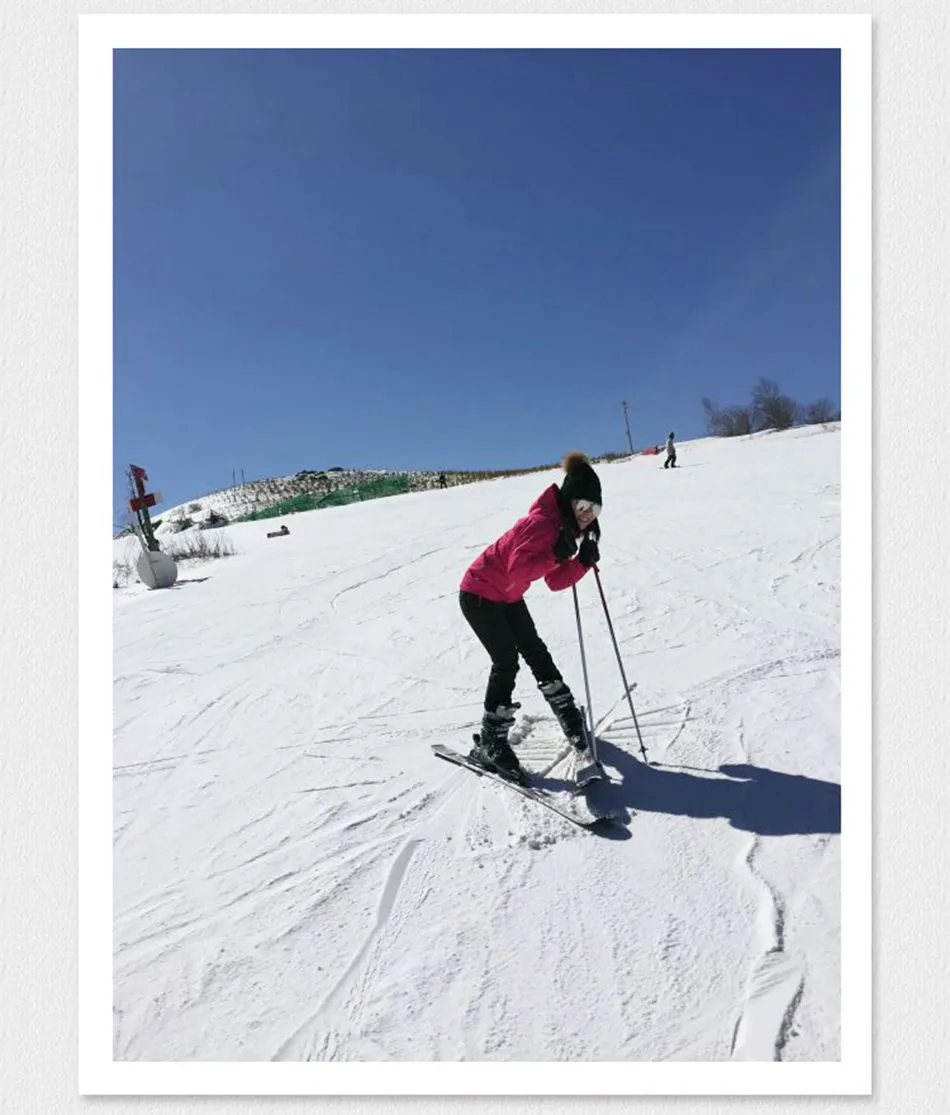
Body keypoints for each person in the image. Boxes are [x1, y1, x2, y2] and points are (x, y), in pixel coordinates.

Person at [459, 451, 603, 783]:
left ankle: (567, 713)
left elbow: (553, 581)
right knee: (506, 660)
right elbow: (519, 567)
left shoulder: (566, 530)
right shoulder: (540, 524)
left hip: (508, 595)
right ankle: (492, 744)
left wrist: (580, 562)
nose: (586, 515)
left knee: (535, 650)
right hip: (478, 594)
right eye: (582, 506)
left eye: (594, 510)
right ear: (569, 501)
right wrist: (556, 553)